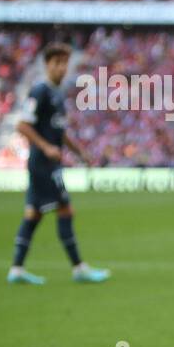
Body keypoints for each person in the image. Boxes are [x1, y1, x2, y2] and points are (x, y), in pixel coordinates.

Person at [7, 42, 111, 286]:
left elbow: (58, 132)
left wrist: (79, 152)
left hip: (47, 163)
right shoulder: (40, 91)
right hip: (43, 164)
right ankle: (79, 268)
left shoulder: (57, 94)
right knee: (65, 209)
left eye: (65, 63)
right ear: (47, 65)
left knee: (33, 215)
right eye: (57, 63)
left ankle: (17, 269)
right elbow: (22, 124)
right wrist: (45, 147)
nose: (62, 68)